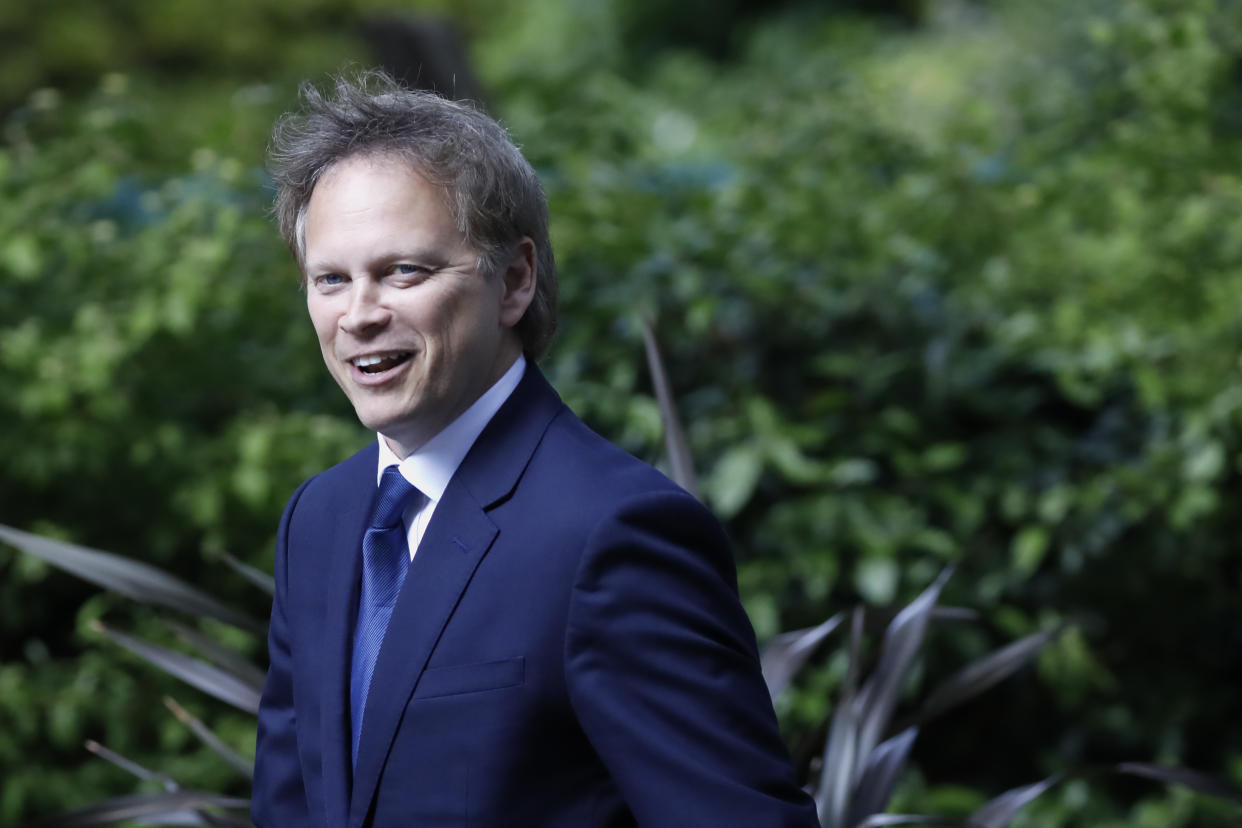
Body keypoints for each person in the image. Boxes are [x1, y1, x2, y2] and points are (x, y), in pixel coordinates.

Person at [251, 71, 820, 828]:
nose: (358, 314)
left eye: (403, 272)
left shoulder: (614, 534)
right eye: (331, 279)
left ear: (514, 280)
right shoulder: (319, 519)